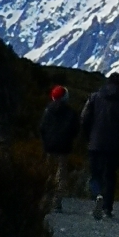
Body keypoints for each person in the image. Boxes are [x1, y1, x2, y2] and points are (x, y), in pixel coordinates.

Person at [78, 72, 119, 220]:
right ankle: (107, 209)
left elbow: (84, 119)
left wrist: (88, 137)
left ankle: (97, 195)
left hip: (95, 142)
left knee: (95, 175)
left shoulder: (94, 97)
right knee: (110, 176)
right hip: (113, 144)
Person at [39, 84, 80, 212]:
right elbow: (75, 130)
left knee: (47, 173)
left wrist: (45, 141)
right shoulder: (71, 113)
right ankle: (57, 202)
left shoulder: (47, 110)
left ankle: (45, 199)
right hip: (63, 147)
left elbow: (42, 128)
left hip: (49, 147)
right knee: (60, 175)